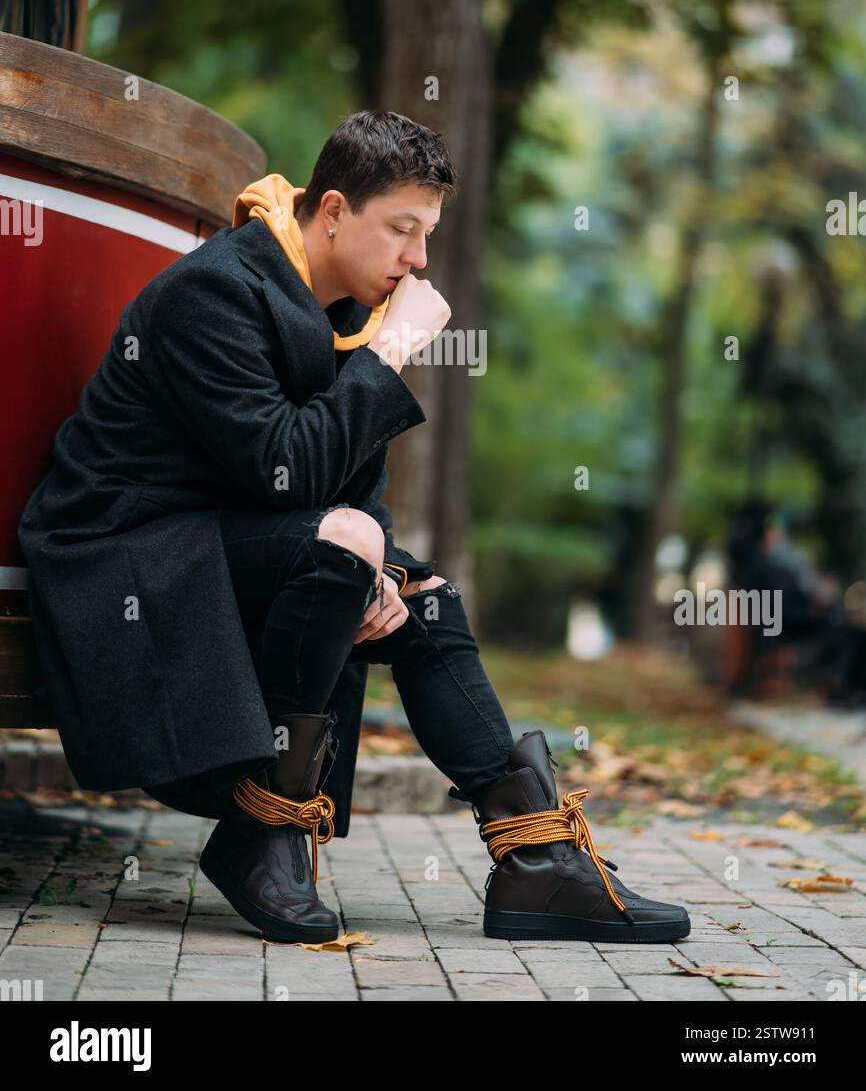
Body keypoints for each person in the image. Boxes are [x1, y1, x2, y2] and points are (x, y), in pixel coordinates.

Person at [17, 109, 689, 946]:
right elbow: (284, 471)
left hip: (215, 538)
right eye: (401, 230)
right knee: (345, 550)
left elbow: (347, 487)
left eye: (427, 234)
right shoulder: (215, 291)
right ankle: (269, 829)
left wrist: (376, 560)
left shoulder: (341, 308)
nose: (417, 259)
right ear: (332, 210)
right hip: (119, 557)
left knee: (425, 600)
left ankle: (539, 860)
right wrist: (389, 359)